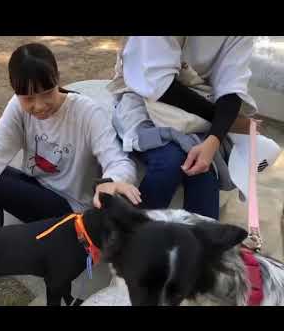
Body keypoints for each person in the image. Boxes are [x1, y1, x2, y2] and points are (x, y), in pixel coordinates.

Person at [0, 42, 139, 267]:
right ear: (15, 91)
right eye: (28, 98)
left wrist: (110, 181)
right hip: (36, 191)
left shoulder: (87, 112)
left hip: (69, 212)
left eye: (46, 93)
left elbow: (119, 162)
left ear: (57, 79)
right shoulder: (17, 107)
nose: (38, 106)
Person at [109, 36, 258, 220]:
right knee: (169, 161)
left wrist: (213, 140)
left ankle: (205, 246)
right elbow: (159, 85)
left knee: (203, 170)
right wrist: (226, 121)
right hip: (143, 96)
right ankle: (131, 233)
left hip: (196, 101)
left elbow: (232, 87)